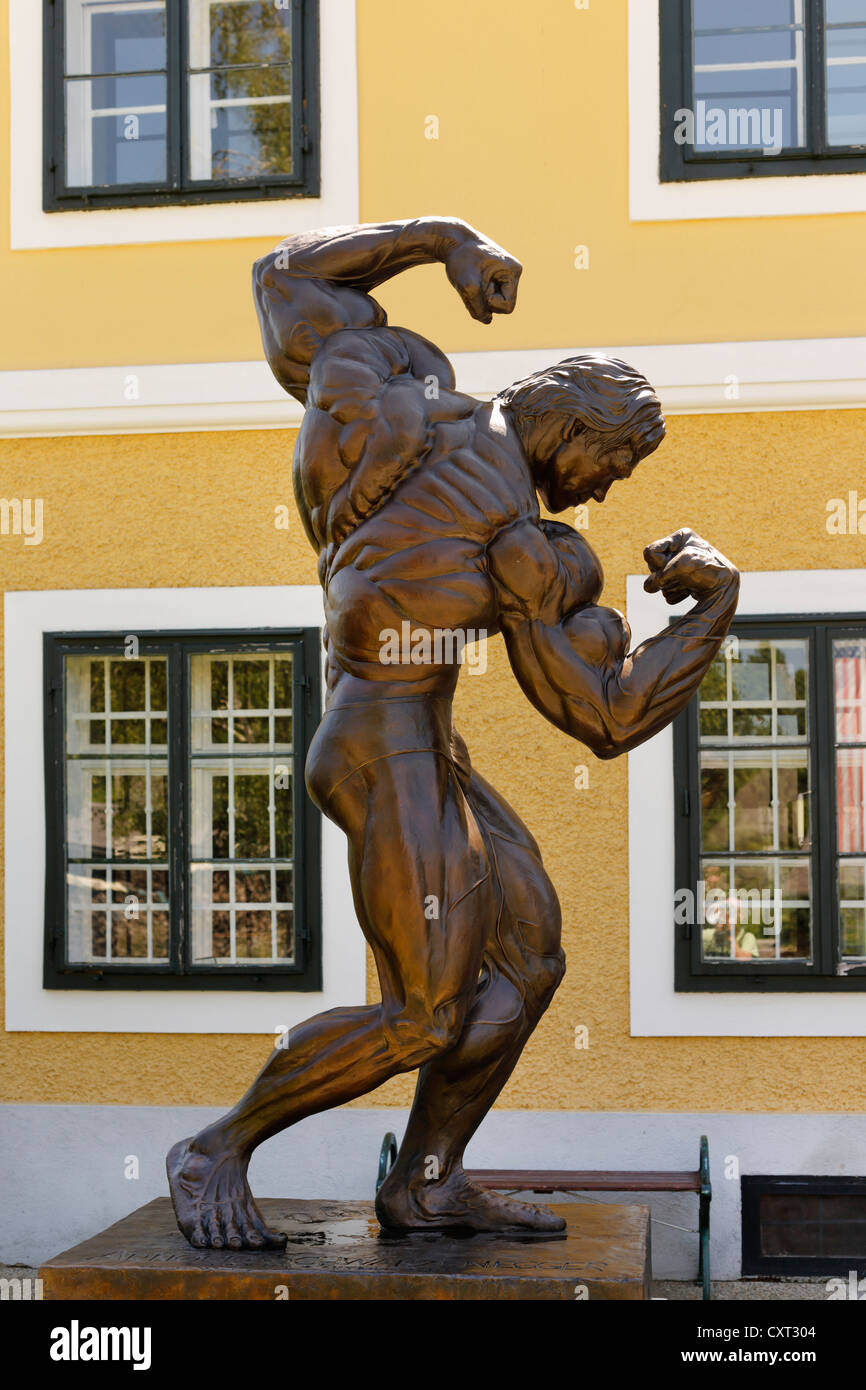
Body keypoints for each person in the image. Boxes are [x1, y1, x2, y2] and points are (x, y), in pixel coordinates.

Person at [167, 218, 740, 1249]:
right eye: (613, 464)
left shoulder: (398, 390)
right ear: (575, 432)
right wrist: (706, 613)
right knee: (423, 1010)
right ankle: (219, 1144)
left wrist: (445, 239)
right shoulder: (519, 541)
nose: (605, 488)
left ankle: (426, 1183)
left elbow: (284, 275)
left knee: (526, 960)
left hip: (410, 741)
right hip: (386, 747)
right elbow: (601, 716)